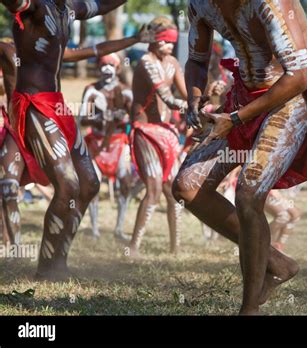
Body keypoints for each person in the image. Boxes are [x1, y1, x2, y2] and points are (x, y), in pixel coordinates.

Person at [173, 0, 307, 315]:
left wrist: (237, 118)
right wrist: (194, 99)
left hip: (290, 95)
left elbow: (299, 77)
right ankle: (274, 262)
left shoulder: (268, 3)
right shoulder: (201, 4)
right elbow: (198, 60)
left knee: (249, 193)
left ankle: (249, 309)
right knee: (187, 188)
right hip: (243, 94)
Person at [0, 0, 127, 280]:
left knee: (89, 184)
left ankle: (58, 260)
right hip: (33, 105)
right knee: (67, 184)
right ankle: (47, 267)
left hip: (58, 106)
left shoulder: (68, 8)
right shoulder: (32, 6)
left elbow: (101, 6)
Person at [129, 16, 186, 255]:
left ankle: (175, 248)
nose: (169, 46)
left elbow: (186, 94)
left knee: (174, 192)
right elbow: (168, 98)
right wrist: (194, 108)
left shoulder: (173, 62)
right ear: (153, 41)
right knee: (153, 189)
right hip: (145, 131)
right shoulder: (146, 62)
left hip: (167, 132)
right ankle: (133, 247)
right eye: (164, 41)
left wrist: (206, 98)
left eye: (172, 42)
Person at [80, 53, 133, 241]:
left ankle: (119, 228)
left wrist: (123, 117)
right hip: (96, 143)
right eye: (103, 64)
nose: (106, 69)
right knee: (93, 185)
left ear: (118, 68)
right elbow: (82, 119)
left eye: (111, 64)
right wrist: (98, 118)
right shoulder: (91, 90)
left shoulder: (126, 91)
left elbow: (134, 118)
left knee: (125, 183)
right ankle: (94, 230)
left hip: (119, 143)